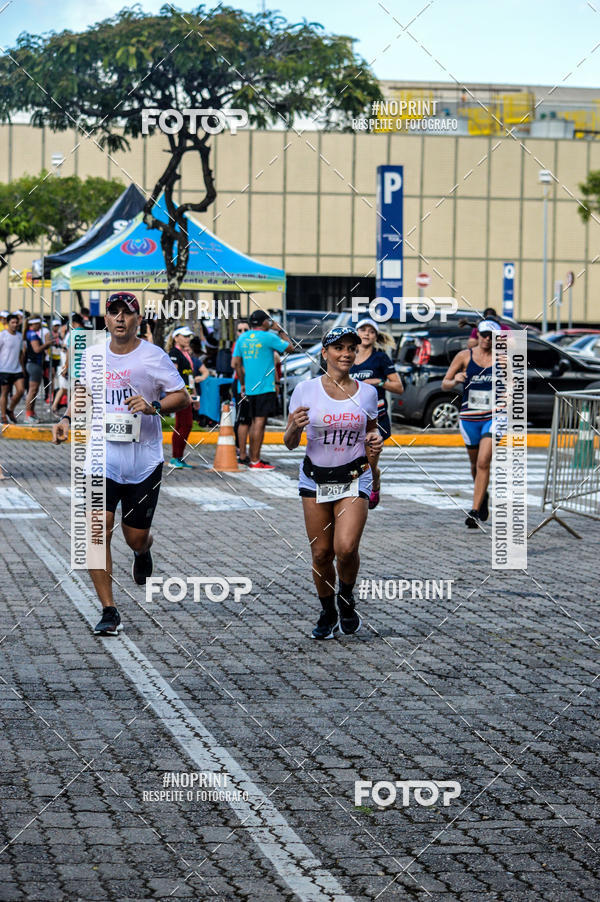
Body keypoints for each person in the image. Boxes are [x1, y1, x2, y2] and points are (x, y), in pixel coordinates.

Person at [52, 291, 190, 637]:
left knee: (135, 537)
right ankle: (109, 610)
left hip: (143, 460)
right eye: (113, 313)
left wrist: (153, 405)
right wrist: (67, 418)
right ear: (105, 320)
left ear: (137, 319)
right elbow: (81, 394)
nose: (119, 319)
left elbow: (182, 396)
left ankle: (142, 553)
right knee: (96, 531)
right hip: (102, 457)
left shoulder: (153, 356)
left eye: (126, 314)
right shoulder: (93, 355)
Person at [284, 326, 383, 640]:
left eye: (351, 348)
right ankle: (328, 610)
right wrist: (295, 429)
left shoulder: (368, 392)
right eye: (339, 348)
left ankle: (347, 598)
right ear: (324, 353)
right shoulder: (304, 390)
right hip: (315, 478)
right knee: (321, 554)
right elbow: (288, 442)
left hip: (354, 476)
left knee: (346, 547)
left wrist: (374, 446)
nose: (346, 354)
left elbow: (372, 432)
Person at [442, 319, 501, 528]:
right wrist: (456, 378)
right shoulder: (464, 356)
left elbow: (514, 385)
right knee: (475, 465)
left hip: (493, 417)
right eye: (484, 335)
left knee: (484, 461)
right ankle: (482, 495)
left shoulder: (503, 359)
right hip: (469, 418)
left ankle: (474, 512)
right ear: (478, 335)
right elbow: (445, 383)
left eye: (491, 336)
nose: (487, 339)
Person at [350, 318, 404, 509]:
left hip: (376, 417)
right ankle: (355, 497)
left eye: (371, 331)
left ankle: (375, 479)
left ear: (376, 336)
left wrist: (378, 382)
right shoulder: (347, 356)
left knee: (370, 461)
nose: (367, 334)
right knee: (354, 460)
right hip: (352, 418)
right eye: (363, 330)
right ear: (356, 333)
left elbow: (399, 387)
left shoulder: (380, 357)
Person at [232, 309, 294, 469]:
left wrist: (243, 382)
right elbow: (291, 348)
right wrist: (279, 329)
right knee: (259, 423)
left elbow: (236, 363)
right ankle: (255, 460)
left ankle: (251, 458)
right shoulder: (269, 337)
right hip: (265, 388)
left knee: (248, 422)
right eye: (269, 321)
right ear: (265, 322)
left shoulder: (242, 338)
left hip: (246, 388)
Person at [166, 326, 204, 469]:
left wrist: (194, 396)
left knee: (182, 425)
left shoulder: (186, 354)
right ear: (176, 337)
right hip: (180, 395)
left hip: (187, 395)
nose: (187, 338)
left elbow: (190, 377)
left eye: (189, 336)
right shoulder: (174, 353)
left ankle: (178, 457)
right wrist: (182, 395)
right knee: (185, 425)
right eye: (184, 336)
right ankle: (176, 458)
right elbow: (173, 375)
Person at [23, 316, 52, 423]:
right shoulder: (33, 334)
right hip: (34, 364)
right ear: (33, 324)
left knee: (33, 391)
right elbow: (37, 349)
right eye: (39, 324)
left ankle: (31, 413)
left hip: (34, 364)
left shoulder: (30, 334)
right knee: (33, 390)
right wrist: (47, 344)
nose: (40, 326)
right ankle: (28, 415)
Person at [0, 314, 25, 425]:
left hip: (17, 369)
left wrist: (22, 367)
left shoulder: (19, 336)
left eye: (16, 323)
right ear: (8, 323)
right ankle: (3, 415)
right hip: (4, 369)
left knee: (21, 390)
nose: (15, 325)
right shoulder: (2, 335)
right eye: (12, 323)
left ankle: (10, 409)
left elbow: (20, 353)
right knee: (4, 393)